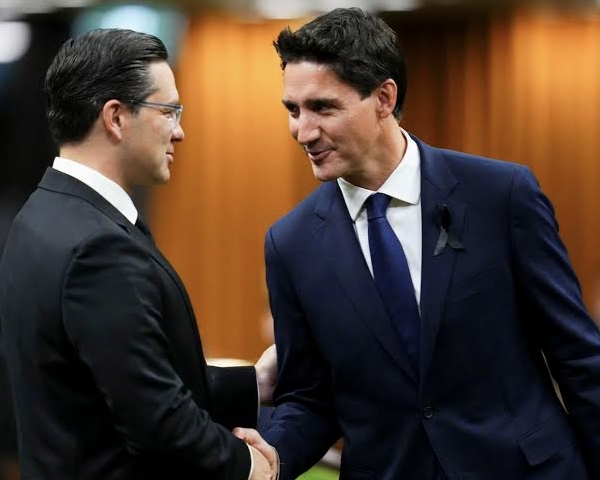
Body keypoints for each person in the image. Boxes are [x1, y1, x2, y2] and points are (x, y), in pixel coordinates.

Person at [243, 7, 600, 480]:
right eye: (293, 110)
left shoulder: (501, 195)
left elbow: (577, 356)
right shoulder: (290, 244)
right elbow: (309, 399)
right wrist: (271, 458)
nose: (302, 131)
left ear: (384, 98)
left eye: (323, 108)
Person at [0, 28, 277, 480]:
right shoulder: (98, 247)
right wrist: (250, 466)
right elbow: (156, 421)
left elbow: (114, 383)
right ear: (115, 117)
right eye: (169, 111)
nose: (180, 131)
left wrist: (254, 383)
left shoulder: (39, 215)